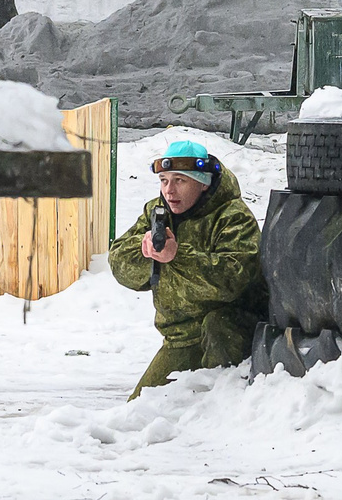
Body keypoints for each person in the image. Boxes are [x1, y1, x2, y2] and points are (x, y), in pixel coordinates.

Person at [109, 139, 269, 397]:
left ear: (203, 183)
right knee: (141, 414)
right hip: (180, 338)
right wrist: (145, 250)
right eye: (164, 180)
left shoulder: (232, 216)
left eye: (180, 181)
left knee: (214, 405)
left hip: (230, 335)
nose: (169, 190)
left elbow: (233, 278)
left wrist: (178, 256)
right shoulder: (158, 212)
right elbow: (119, 263)